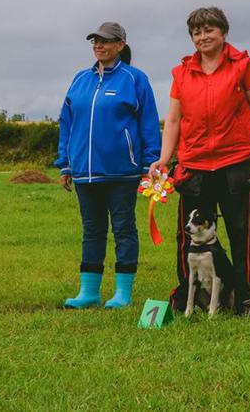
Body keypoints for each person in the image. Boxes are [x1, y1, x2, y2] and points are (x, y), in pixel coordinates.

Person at [149, 6, 250, 316]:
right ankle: (186, 297)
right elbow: (175, 120)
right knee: (187, 235)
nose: (203, 36)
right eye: (196, 32)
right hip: (194, 166)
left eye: (209, 30)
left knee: (240, 235)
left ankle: (246, 300)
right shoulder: (182, 73)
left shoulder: (244, 67)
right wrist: (165, 159)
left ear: (223, 32)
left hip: (237, 163)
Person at [55, 22, 161, 309]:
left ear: (120, 45)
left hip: (123, 171)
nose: (99, 45)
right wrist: (65, 163)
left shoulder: (135, 79)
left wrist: (150, 162)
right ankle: (88, 291)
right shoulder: (80, 79)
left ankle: (122, 293)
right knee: (92, 230)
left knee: (124, 229)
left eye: (105, 41)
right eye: (95, 41)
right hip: (84, 173)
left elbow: (149, 123)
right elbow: (67, 122)